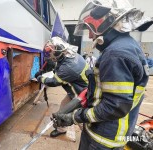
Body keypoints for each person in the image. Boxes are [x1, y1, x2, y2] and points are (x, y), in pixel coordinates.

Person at [52, 0, 153, 149]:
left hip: (103, 138)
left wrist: (73, 117)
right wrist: (72, 106)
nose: (91, 34)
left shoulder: (116, 54)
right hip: (109, 133)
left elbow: (114, 107)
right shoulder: (125, 46)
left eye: (93, 27)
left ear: (111, 22)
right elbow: (102, 91)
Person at [35, 36, 89, 137]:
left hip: (81, 95)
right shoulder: (70, 55)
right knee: (63, 107)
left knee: (80, 118)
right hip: (75, 91)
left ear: (57, 51)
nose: (49, 55)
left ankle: (89, 138)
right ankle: (61, 129)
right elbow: (59, 68)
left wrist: (39, 78)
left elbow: (54, 82)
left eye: (50, 52)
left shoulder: (69, 66)